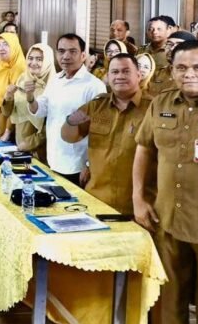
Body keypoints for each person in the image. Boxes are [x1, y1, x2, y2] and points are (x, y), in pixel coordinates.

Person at [132, 40, 198, 324]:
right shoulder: (162, 102)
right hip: (167, 220)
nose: (189, 74)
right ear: (171, 71)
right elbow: (144, 148)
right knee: (166, 305)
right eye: (181, 68)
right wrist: (138, 198)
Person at [61, 53, 151, 215]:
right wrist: (71, 121)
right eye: (115, 72)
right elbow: (69, 137)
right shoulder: (96, 106)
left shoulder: (153, 108)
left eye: (126, 71)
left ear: (138, 75)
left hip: (137, 205)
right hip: (97, 200)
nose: (120, 76)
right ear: (108, 77)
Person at [27, 34, 107, 184]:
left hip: (78, 164)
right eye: (61, 51)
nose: (66, 56)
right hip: (54, 157)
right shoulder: (56, 79)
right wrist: (30, 98)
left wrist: (89, 164)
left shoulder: (94, 86)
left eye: (72, 51)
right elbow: (41, 109)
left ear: (83, 55)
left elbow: (100, 131)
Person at [1, 43, 54, 162]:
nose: (33, 62)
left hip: (40, 150)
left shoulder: (53, 85)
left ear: (48, 61)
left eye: (39, 59)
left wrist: (28, 144)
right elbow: (7, 113)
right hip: (19, 143)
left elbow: (52, 125)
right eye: (30, 58)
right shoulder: (22, 79)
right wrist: (8, 96)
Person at [0, 33, 26, 141]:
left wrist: (8, 131)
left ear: (14, 46)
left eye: (5, 45)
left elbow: (16, 103)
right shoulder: (0, 64)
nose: (0, 48)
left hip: (11, 121)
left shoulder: (19, 67)